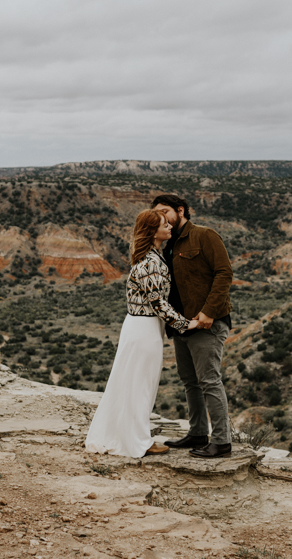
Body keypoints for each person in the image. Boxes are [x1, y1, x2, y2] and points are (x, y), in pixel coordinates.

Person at [85, 209, 199, 459]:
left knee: (134, 384)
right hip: (144, 328)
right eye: (163, 225)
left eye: (169, 223)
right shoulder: (150, 261)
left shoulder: (153, 256)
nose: (169, 227)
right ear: (152, 232)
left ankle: (129, 436)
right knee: (140, 387)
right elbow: (157, 303)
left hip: (143, 327)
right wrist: (186, 324)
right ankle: (138, 442)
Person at [152, 194, 234, 459]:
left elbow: (224, 273)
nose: (162, 216)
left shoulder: (204, 235)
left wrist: (209, 312)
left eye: (165, 211)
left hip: (205, 324)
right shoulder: (168, 244)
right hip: (181, 325)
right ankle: (198, 433)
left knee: (209, 380)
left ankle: (221, 441)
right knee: (191, 382)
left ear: (180, 210)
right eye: (157, 213)